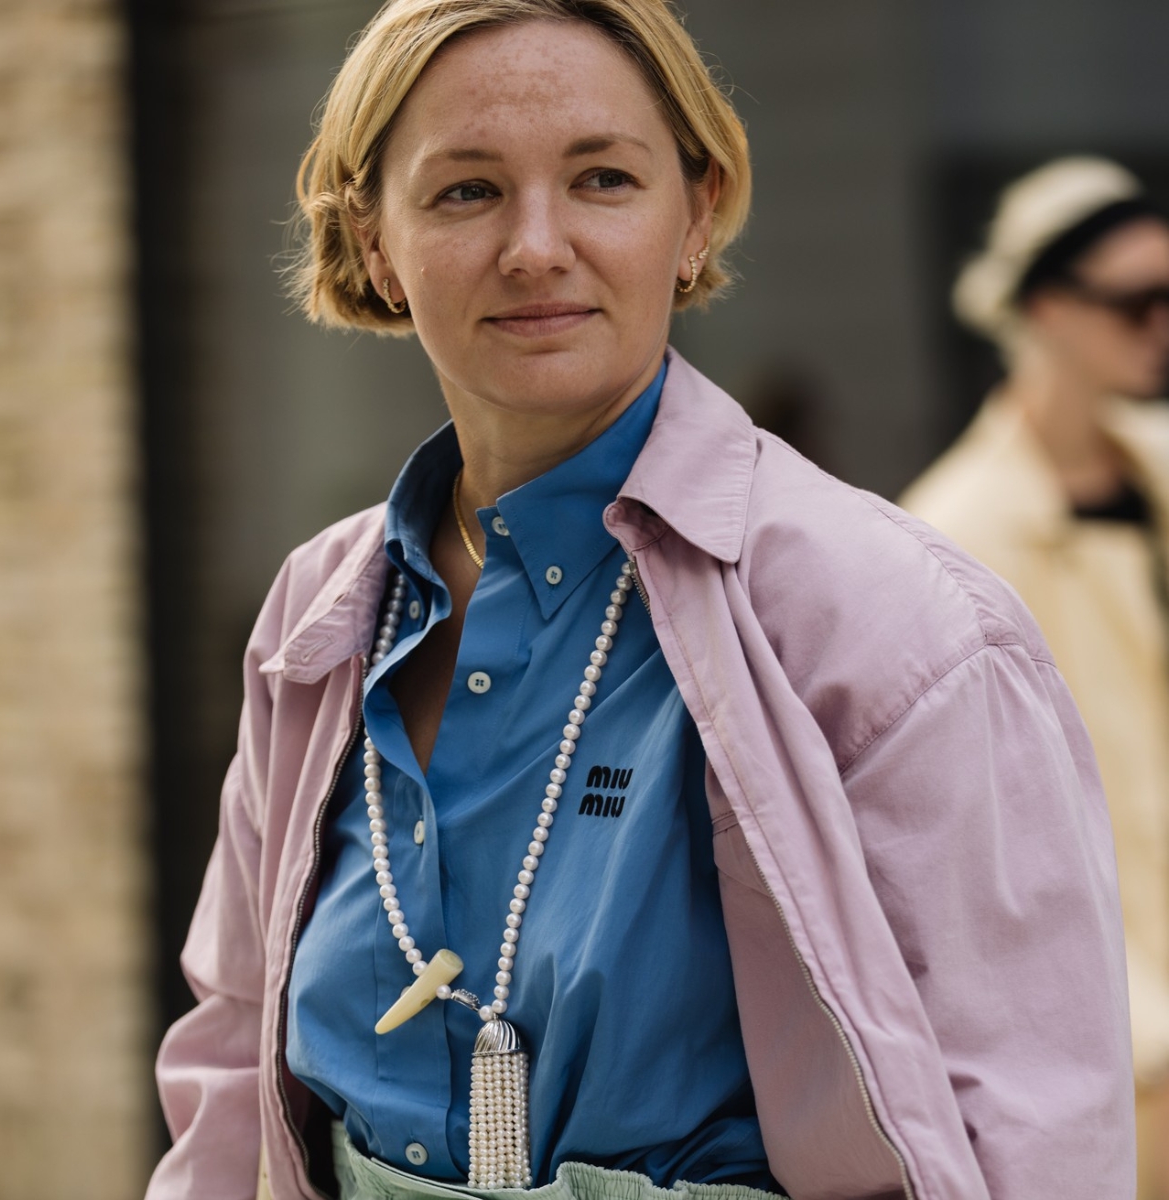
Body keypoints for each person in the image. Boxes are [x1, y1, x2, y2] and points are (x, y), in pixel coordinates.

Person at [146, 7, 1134, 1199]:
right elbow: (231, 1057)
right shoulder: (323, 611)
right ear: (373, 243)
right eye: (465, 192)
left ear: (696, 211)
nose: (536, 246)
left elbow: (1034, 1137)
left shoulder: (904, 626)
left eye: (603, 178)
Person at [901, 155, 1169, 1199]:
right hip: (1110, 1044)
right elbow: (974, 841)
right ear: (1048, 307)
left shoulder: (1155, 472)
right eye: (1139, 301)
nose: (1162, 328)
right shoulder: (956, 535)